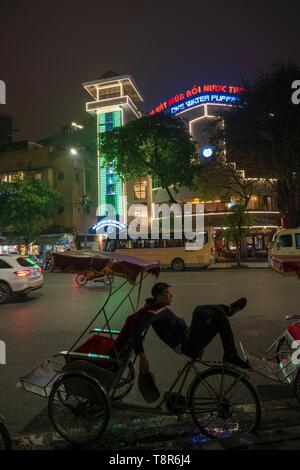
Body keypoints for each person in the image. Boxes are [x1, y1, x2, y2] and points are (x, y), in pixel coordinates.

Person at [132, 282, 250, 377]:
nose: (171, 295)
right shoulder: (151, 313)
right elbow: (136, 332)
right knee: (198, 311)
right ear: (158, 296)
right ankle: (228, 309)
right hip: (187, 345)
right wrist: (142, 357)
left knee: (220, 318)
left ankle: (230, 355)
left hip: (191, 338)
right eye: (167, 293)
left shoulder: (159, 307)